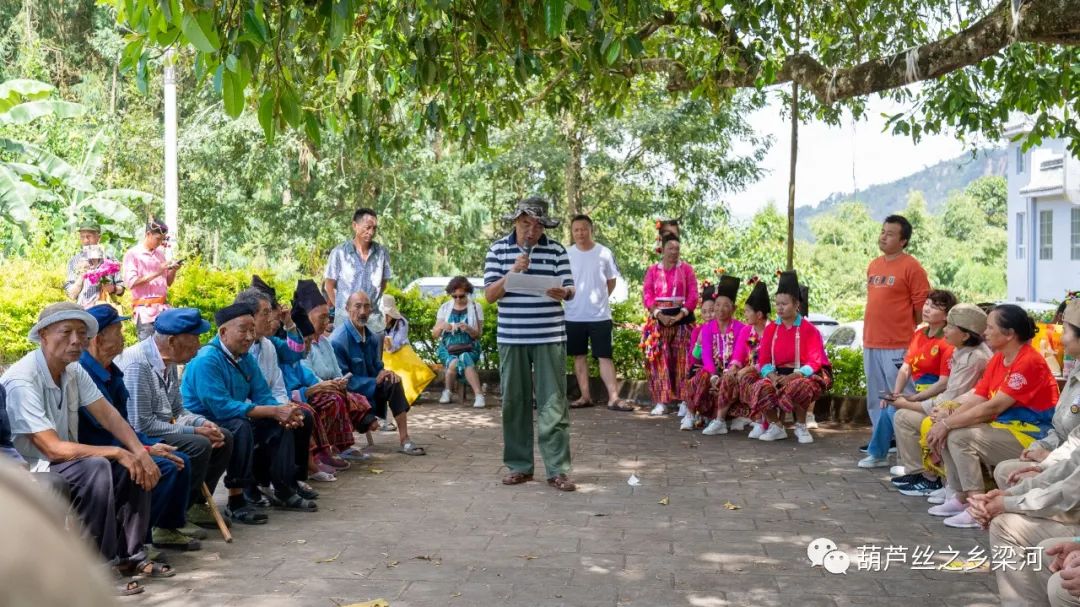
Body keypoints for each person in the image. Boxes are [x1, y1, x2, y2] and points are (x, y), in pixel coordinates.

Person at [0, 302, 162, 591]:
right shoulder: (22, 380)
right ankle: (95, 567)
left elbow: (109, 415)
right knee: (97, 466)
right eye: (66, 332)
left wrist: (138, 450)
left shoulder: (73, 370)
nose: (76, 341)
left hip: (63, 459)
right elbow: (50, 448)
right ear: (44, 335)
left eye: (81, 333)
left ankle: (130, 555)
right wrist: (116, 451)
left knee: (132, 463)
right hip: (29, 468)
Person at [973, 298, 1080, 606]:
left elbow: (1071, 490)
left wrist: (1010, 502)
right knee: (1011, 495)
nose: (1059, 334)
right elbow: (1071, 447)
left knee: (1011, 525)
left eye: (1066, 328)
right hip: (1051, 457)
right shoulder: (1074, 372)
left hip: (1068, 493)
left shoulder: (1029, 360)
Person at [924, 304, 1060, 529]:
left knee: (959, 436)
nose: (984, 333)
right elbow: (979, 397)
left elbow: (992, 407)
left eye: (989, 327)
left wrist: (948, 423)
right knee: (950, 430)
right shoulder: (998, 358)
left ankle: (976, 506)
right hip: (1006, 428)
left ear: (1009, 334)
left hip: (1032, 434)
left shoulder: (1029, 362)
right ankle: (959, 498)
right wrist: (946, 420)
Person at [77, 304, 200, 552]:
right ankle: (134, 541)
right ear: (99, 339)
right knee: (159, 466)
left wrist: (148, 444)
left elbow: (124, 423)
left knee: (178, 459)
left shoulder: (111, 370)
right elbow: (97, 432)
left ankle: (165, 527)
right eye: (118, 331)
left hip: (122, 442)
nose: (124, 337)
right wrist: (143, 449)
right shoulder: (85, 373)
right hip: (97, 450)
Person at [181, 302, 317, 523]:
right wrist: (272, 410)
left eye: (252, 330)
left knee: (292, 418)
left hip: (235, 413)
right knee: (239, 426)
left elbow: (262, 394)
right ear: (223, 332)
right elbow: (221, 407)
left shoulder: (246, 358)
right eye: (243, 330)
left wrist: (280, 412)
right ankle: (237, 500)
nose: (249, 336)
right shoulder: (207, 359)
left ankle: (284, 487)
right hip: (204, 419)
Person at [484, 197, 576, 491]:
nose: (530, 231)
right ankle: (519, 466)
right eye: (525, 224)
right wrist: (511, 273)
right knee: (514, 403)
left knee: (553, 405)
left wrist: (565, 292)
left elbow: (571, 287)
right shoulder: (498, 250)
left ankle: (557, 470)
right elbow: (488, 295)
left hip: (549, 337)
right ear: (516, 222)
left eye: (537, 226)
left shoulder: (557, 250)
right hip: (512, 338)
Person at [120, 307, 235, 530]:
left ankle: (193, 505)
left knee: (224, 437)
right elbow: (141, 424)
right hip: (140, 437)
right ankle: (169, 519)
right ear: (172, 341)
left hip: (160, 430)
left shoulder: (169, 362)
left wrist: (202, 423)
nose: (199, 345)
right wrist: (194, 432)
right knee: (199, 444)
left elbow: (178, 411)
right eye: (194, 338)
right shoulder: (138, 365)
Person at [889, 304, 992, 498]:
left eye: (950, 326)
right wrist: (913, 399)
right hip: (951, 408)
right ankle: (922, 475)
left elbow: (951, 398)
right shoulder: (961, 350)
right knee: (903, 416)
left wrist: (908, 403)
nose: (945, 329)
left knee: (919, 419)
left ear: (965, 335)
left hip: (962, 413)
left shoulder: (974, 357)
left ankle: (938, 482)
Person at [233, 287, 318, 502]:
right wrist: (274, 411)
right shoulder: (236, 349)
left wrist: (283, 407)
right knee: (274, 423)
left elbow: (276, 386)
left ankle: (290, 480)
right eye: (266, 312)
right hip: (244, 410)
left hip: (264, 404)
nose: (272, 317)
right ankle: (273, 486)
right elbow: (236, 396)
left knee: (300, 416)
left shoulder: (268, 345)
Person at [858, 289, 958, 469]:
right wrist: (896, 394)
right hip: (917, 391)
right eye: (927, 304)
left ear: (946, 315)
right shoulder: (919, 334)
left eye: (934, 307)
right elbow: (906, 368)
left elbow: (944, 382)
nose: (927, 309)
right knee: (889, 405)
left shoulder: (947, 341)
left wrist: (912, 398)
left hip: (937, 396)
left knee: (893, 411)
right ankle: (882, 455)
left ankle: (894, 459)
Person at [862, 215, 931, 444]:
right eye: (883, 231)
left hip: (898, 342)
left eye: (890, 234)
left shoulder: (912, 266)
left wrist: (913, 331)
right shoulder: (874, 264)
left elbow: (922, 305)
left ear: (903, 241)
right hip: (871, 340)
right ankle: (881, 440)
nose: (883, 237)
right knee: (876, 395)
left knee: (900, 393)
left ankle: (906, 439)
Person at [295, 279, 379, 463]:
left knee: (349, 394)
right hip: (310, 390)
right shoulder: (300, 342)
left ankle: (342, 445)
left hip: (329, 387)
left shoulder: (325, 342)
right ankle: (329, 450)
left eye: (328, 317)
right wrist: (327, 385)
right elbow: (307, 374)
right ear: (308, 317)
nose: (327, 322)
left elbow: (336, 370)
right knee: (335, 399)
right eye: (322, 318)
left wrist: (339, 381)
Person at [332, 291, 426, 456]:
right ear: (347, 309)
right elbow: (343, 381)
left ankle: (405, 440)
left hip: (371, 391)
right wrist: (374, 381)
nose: (362, 311)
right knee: (371, 422)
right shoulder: (338, 340)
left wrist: (385, 373)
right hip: (352, 397)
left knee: (394, 381)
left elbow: (377, 366)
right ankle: (344, 445)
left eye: (366, 306)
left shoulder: (372, 337)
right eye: (358, 306)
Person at [747, 271, 830, 444]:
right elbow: (763, 361)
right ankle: (776, 426)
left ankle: (801, 425)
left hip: (802, 374)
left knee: (800, 386)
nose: (779, 308)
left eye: (784, 304)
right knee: (760, 386)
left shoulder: (809, 330)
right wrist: (772, 376)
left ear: (796, 304)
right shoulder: (771, 330)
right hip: (777, 374)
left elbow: (815, 361)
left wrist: (794, 375)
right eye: (777, 304)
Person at [564, 214, 630, 411]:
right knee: (578, 356)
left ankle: (613, 398)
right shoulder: (567, 254)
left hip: (599, 315)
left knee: (604, 356)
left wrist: (601, 299)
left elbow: (611, 280)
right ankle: (585, 397)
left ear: (591, 230)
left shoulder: (604, 253)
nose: (580, 233)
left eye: (584, 229)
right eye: (576, 229)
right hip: (573, 315)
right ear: (572, 232)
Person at [641, 233, 699, 416]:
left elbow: (693, 295)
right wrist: (658, 314)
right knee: (659, 359)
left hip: (682, 318)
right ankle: (661, 401)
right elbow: (648, 294)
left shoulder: (687, 270)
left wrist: (681, 314)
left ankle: (684, 400)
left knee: (683, 360)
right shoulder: (653, 270)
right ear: (662, 249)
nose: (674, 252)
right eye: (670, 248)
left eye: (677, 249)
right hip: (659, 319)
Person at [688, 275, 750, 435]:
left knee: (730, 379)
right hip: (714, 372)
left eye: (726, 305)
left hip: (733, 372)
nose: (720, 309)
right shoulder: (707, 328)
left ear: (734, 308)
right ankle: (691, 413)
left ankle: (723, 420)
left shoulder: (741, 328)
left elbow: (739, 356)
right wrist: (714, 376)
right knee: (701, 376)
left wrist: (726, 374)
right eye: (717, 305)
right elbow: (707, 356)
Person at [324, 207, 393, 332]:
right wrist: (342, 309)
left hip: (373, 322)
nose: (371, 232)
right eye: (367, 227)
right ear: (355, 226)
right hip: (345, 323)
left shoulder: (382, 253)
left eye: (374, 228)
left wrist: (371, 304)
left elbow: (383, 284)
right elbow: (329, 286)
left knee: (374, 352)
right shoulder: (339, 253)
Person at [720, 277, 772, 437]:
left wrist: (748, 369)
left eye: (748, 311)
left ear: (760, 314)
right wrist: (734, 367)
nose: (745, 314)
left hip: (768, 371)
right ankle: (719, 420)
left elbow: (768, 360)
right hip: (748, 369)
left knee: (747, 377)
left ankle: (760, 421)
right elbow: (738, 355)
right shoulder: (746, 331)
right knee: (729, 377)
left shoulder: (773, 330)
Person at [123, 218, 181, 340]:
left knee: (166, 352)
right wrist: (157, 272)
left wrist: (174, 270)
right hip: (145, 313)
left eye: (162, 239)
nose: (160, 243)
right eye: (158, 239)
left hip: (163, 311)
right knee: (148, 353)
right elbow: (131, 282)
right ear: (148, 234)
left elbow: (168, 283)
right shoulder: (132, 254)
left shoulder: (160, 254)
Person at [435, 276, 487, 408]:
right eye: (454, 296)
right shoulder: (445, 308)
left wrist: (469, 329)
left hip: (469, 347)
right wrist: (442, 327)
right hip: (448, 348)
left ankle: (478, 395)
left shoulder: (476, 307)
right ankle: (449, 391)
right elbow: (435, 335)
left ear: (468, 293)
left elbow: (478, 335)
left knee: (465, 357)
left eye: (461, 296)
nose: (458, 299)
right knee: (453, 362)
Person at [381, 294, 436, 406]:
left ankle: (409, 395)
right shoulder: (374, 322)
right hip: (384, 354)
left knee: (408, 366)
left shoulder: (402, 322)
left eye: (388, 315)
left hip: (401, 351)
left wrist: (388, 346)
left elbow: (397, 343)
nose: (385, 318)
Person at [65, 220, 125, 309]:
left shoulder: (110, 259)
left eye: (89, 236)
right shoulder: (74, 261)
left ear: (98, 238)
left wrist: (113, 288)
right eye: (82, 237)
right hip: (84, 311)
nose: (85, 240)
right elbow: (72, 295)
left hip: (106, 309)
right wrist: (82, 275)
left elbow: (121, 289)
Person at [680, 287, 716, 430]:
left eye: (712, 310)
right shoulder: (697, 330)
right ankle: (690, 413)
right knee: (697, 375)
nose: (708, 315)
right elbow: (693, 358)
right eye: (704, 311)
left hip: (716, 369)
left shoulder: (724, 330)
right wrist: (700, 342)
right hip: (699, 368)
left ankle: (704, 413)